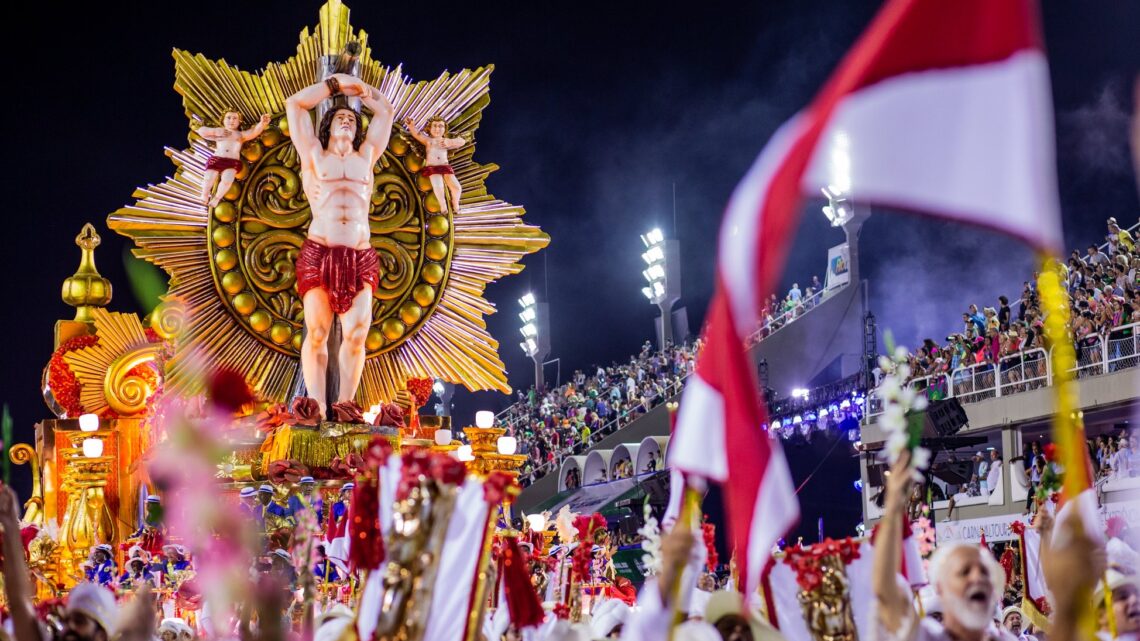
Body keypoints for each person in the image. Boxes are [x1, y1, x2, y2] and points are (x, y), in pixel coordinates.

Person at [286, 72, 396, 416]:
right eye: (340, 117)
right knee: (317, 332)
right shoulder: (313, 156)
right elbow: (295, 104)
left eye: (352, 118)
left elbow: (386, 113)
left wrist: (365, 91)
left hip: (360, 253)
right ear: (329, 126)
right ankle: (317, 407)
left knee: (358, 333)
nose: (347, 121)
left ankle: (346, 406)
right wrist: (338, 84)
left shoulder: (367, 157)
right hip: (320, 250)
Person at [196, 109, 271, 208]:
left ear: (239, 122)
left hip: (232, 162)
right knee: (209, 178)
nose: (231, 120)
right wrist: (214, 131)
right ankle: (204, 194)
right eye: (228, 117)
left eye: (235, 118)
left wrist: (262, 123)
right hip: (217, 158)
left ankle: (217, 198)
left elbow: (253, 132)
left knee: (227, 180)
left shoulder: (240, 135)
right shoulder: (220, 131)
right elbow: (201, 131)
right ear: (223, 120)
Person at [403, 115, 466, 214]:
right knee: (438, 188)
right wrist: (411, 127)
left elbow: (462, 141)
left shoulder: (445, 141)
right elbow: (416, 135)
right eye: (435, 126)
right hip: (432, 168)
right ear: (429, 128)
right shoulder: (428, 140)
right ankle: (443, 205)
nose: (437, 129)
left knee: (457, 188)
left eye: (440, 126)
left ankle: (455, 203)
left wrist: (450, 141)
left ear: (445, 128)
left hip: (445, 166)